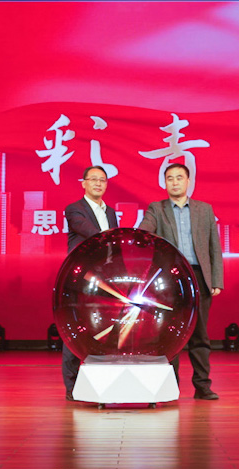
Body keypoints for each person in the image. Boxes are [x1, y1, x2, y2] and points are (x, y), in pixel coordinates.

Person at [137, 162, 223, 400]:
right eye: (170, 178)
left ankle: (203, 386)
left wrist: (216, 280)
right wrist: (142, 234)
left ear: (188, 182)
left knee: (200, 335)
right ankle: (170, 387)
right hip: (171, 278)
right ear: (165, 183)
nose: (175, 182)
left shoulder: (204, 210)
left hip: (199, 277)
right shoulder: (157, 208)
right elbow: (145, 230)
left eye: (179, 178)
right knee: (169, 335)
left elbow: (214, 247)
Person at [61, 165, 120, 401]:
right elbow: (91, 233)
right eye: (93, 179)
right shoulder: (74, 209)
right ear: (83, 183)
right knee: (76, 330)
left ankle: (102, 382)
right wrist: (111, 237)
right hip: (80, 280)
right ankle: (73, 386)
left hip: (105, 281)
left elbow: (114, 248)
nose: (98, 183)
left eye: (102, 180)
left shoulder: (111, 213)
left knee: (104, 329)